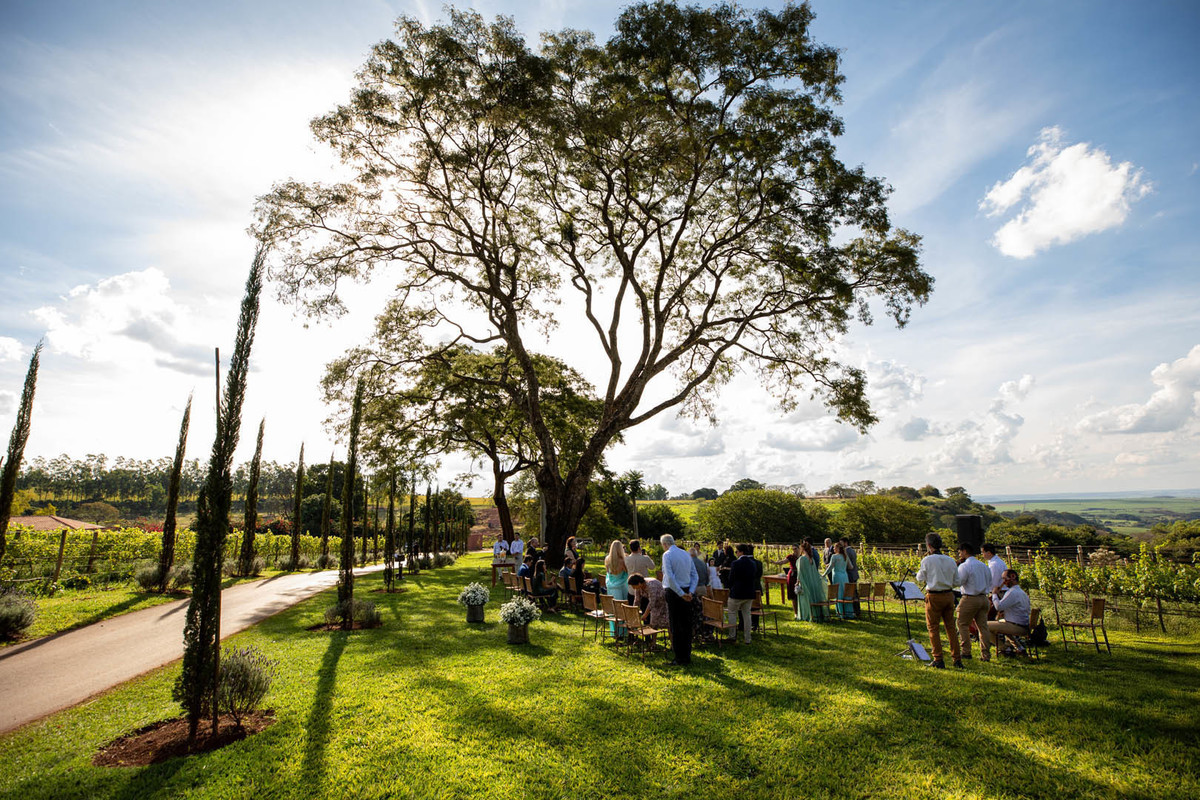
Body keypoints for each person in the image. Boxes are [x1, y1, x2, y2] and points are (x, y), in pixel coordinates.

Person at [916, 532, 962, 669]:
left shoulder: (927, 560)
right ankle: (957, 658)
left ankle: (938, 658)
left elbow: (919, 578)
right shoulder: (950, 560)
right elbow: (957, 581)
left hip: (934, 595)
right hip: (949, 595)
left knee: (933, 627)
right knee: (951, 627)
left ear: (929, 546)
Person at [660, 534, 698, 665]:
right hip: (687, 590)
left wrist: (681, 593)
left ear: (665, 544)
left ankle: (679, 657)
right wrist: (690, 591)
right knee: (686, 624)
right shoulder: (686, 554)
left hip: (675, 592)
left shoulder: (667, 555)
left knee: (675, 625)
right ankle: (686, 655)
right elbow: (695, 575)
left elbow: (670, 577)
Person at [955, 542, 993, 662]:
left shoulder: (965, 566)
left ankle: (966, 651)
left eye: (960, 552)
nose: (959, 554)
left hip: (970, 597)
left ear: (965, 551)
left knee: (962, 624)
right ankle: (986, 654)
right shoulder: (984, 566)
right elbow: (989, 581)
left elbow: (959, 581)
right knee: (983, 627)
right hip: (984, 598)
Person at [987, 569, 1032, 654]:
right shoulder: (1022, 592)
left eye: (1005, 579)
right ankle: (1019, 647)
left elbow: (998, 607)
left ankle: (1003, 648)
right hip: (1024, 625)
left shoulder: (1012, 592)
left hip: (1017, 627)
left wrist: (994, 594)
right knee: (1001, 622)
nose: (1004, 582)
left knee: (984, 626)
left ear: (1013, 577)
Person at [727, 543, 758, 644]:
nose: (736, 553)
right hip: (749, 592)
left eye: (737, 551)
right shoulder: (753, 563)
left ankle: (732, 635)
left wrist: (730, 587)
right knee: (747, 615)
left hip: (737, 592)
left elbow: (731, 579)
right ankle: (747, 638)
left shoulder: (736, 563)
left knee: (732, 613)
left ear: (741, 552)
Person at [822, 542, 855, 619]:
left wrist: (823, 575)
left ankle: (840, 613)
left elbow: (830, 568)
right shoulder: (845, 556)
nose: (833, 549)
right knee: (846, 593)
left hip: (837, 576)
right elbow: (851, 567)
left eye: (834, 548)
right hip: (845, 576)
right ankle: (848, 612)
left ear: (838, 548)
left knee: (838, 593)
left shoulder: (834, 556)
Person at [795, 541, 825, 622]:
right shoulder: (812, 560)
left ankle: (806, 615)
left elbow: (800, 573)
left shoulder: (802, 559)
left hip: (805, 582)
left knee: (805, 598)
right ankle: (815, 614)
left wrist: (797, 582)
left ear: (802, 549)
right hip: (812, 582)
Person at [605, 540, 630, 637]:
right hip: (622, 586)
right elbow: (627, 571)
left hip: (611, 587)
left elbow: (607, 572)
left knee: (613, 610)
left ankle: (614, 631)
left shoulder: (607, 559)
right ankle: (622, 632)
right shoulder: (622, 560)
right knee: (622, 609)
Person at [982, 542, 1007, 620]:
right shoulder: (998, 561)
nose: (982, 555)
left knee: (990, 616)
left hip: (998, 592)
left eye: (983, 552)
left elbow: (993, 582)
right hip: (1000, 591)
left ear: (988, 553)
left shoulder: (994, 565)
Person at [780, 545, 800, 615]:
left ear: (799, 548)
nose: (794, 550)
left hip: (800, 574)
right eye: (793, 549)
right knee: (793, 593)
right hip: (792, 575)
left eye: (796, 548)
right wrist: (775, 562)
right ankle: (796, 613)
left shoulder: (802, 556)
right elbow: (783, 562)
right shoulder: (791, 556)